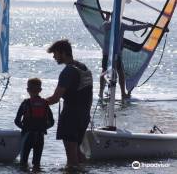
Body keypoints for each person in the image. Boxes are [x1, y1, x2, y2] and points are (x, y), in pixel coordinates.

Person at [46, 39, 93, 167]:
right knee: (77, 152)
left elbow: (55, 98)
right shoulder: (83, 67)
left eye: (55, 53)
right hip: (84, 116)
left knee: (71, 157)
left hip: (71, 116)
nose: (54, 57)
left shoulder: (68, 72)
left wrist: (36, 102)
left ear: (63, 53)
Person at [99, 14, 151, 100]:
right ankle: (123, 93)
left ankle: (101, 92)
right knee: (120, 73)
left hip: (106, 53)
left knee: (105, 70)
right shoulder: (121, 25)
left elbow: (102, 27)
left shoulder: (106, 24)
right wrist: (146, 25)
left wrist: (107, 18)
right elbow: (134, 28)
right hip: (115, 54)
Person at [14, 78, 54, 170]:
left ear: (28, 90)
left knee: (23, 163)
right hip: (40, 136)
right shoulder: (45, 104)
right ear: (40, 90)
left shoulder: (26, 103)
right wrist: (43, 128)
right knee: (37, 164)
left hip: (28, 135)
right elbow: (52, 122)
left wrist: (24, 128)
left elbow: (17, 121)